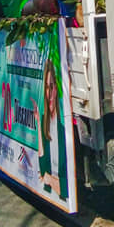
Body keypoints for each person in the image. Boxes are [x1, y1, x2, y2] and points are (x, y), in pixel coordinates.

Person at [34, 61, 67, 200]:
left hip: (58, 193)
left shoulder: (63, 126)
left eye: (52, 87)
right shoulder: (45, 121)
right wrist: (38, 124)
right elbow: (43, 169)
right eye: (46, 88)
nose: (49, 94)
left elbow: (65, 187)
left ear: (57, 89)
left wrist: (51, 180)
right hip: (51, 192)